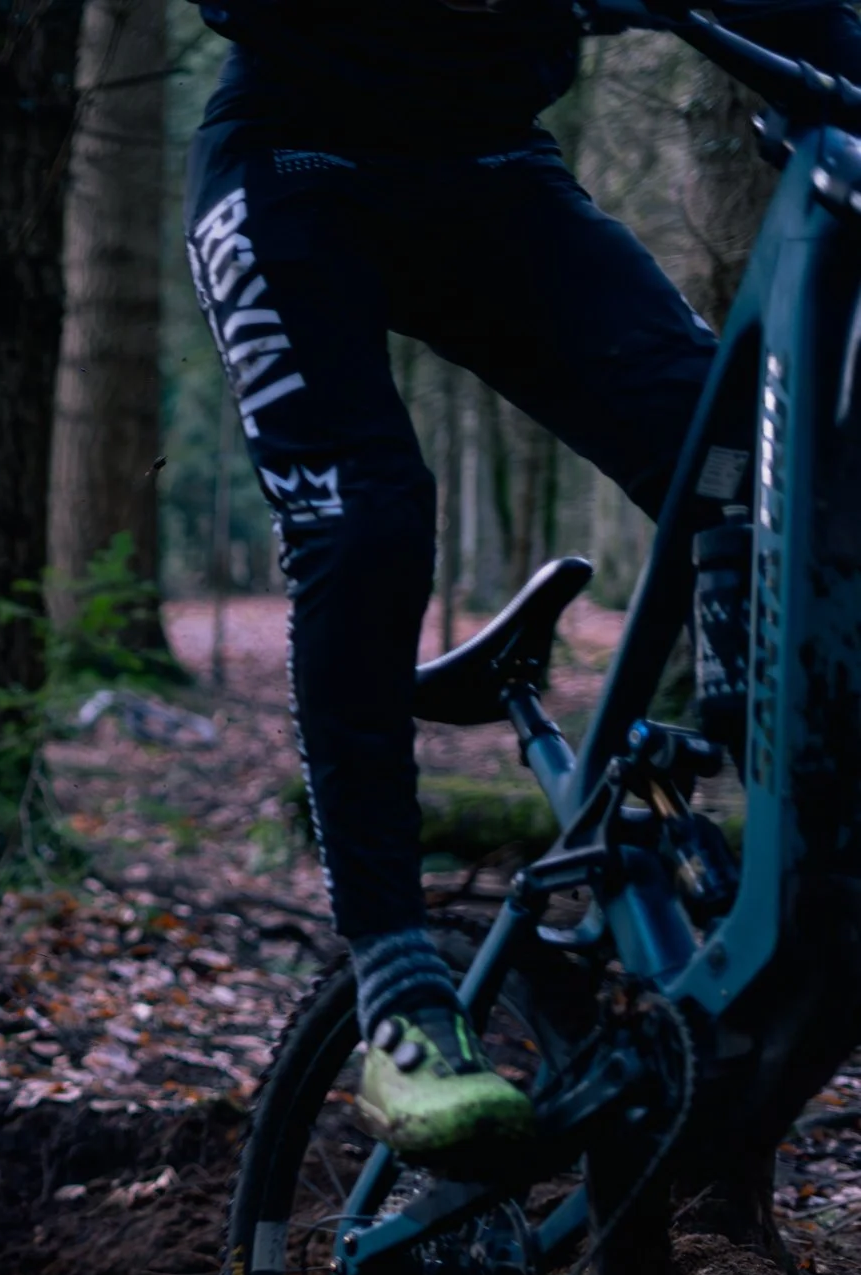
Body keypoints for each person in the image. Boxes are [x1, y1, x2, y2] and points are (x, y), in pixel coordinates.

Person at [187, 0, 861, 1163]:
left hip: (491, 173)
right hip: (292, 164)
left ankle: (761, 816)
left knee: (746, 460)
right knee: (367, 524)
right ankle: (396, 987)